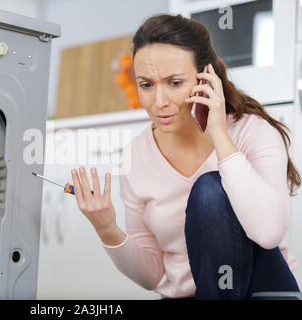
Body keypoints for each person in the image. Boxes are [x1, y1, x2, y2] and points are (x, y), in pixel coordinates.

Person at [70, 14, 301, 300]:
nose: (159, 102)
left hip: (263, 290)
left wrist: (220, 135)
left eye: (175, 83)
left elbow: (268, 233)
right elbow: (152, 275)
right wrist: (106, 228)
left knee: (209, 190)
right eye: (146, 85)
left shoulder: (251, 131)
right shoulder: (136, 156)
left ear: (206, 78)